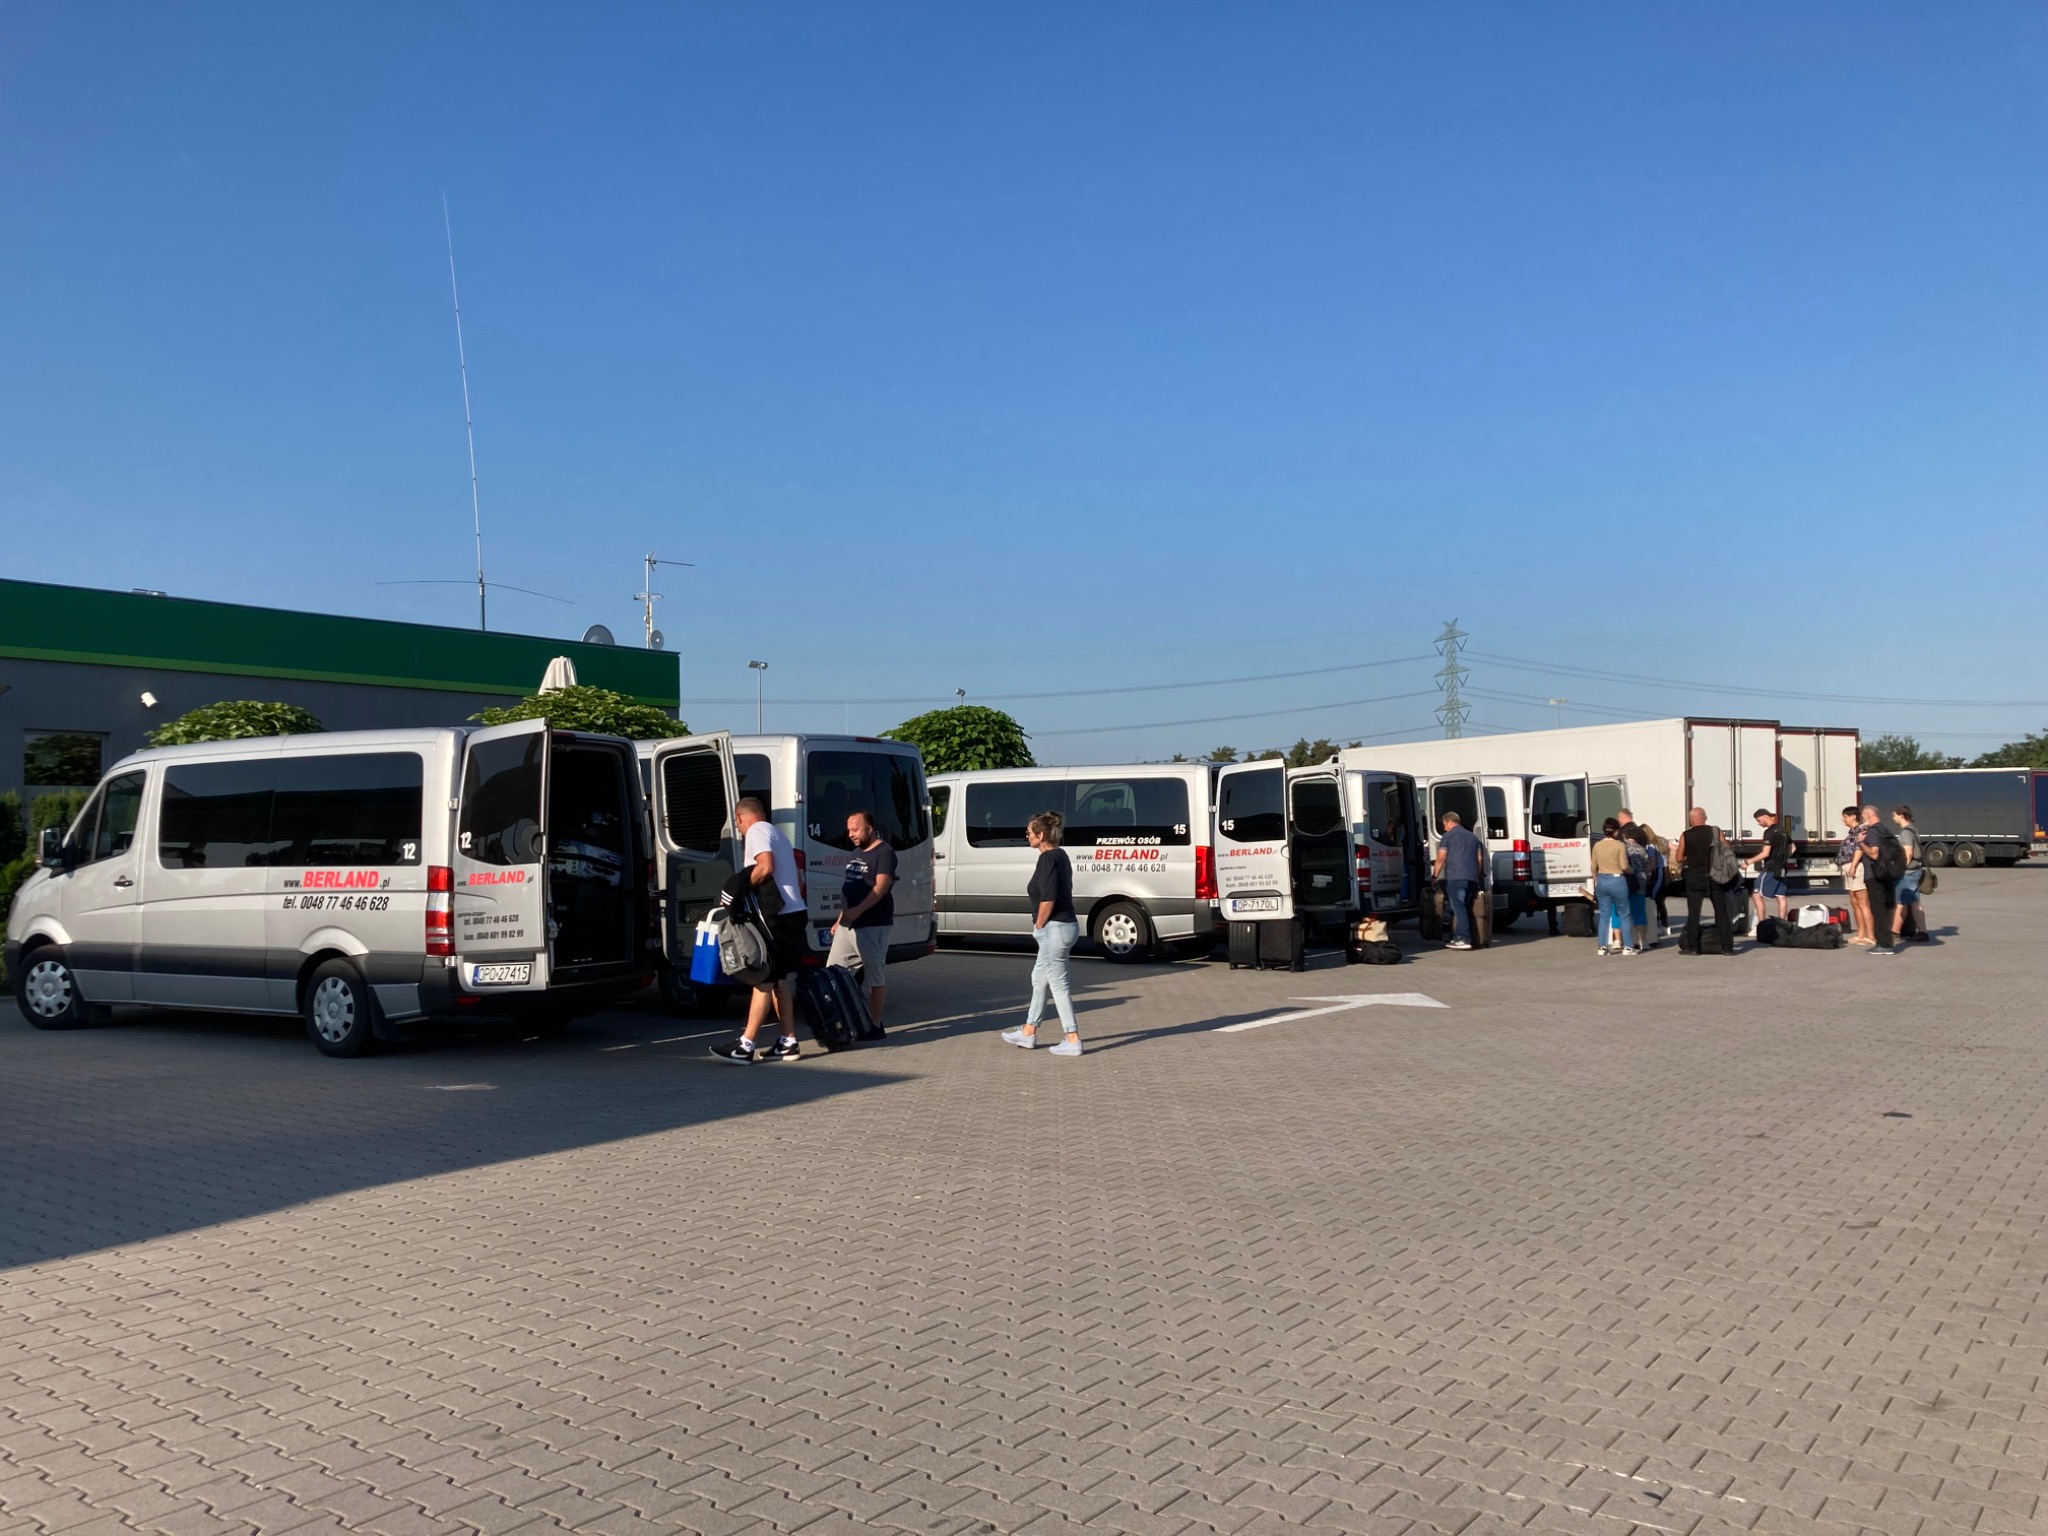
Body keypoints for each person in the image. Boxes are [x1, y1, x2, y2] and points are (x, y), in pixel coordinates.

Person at [711, 797, 811, 1063]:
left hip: (779, 917)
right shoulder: (777, 833)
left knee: (762, 977)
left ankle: (745, 1045)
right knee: (778, 980)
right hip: (794, 913)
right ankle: (788, 1041)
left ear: (741, 818)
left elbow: (765, 866)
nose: (740, 829)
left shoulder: (756, 830)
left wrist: (740, 888)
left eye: (738, 824)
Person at [1001, 811, 1082, 1056]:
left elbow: (1048, 897)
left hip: (1054, 927)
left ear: (1041, 834)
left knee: (1058, 984)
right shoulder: (1061, 855)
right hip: (1064, 926)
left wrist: (1039, 926)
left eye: (1029, 833)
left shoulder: (1048, 859)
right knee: (1039, 979)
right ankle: (1028, 1032)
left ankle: (1072, 1038)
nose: (1027, 836)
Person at [828, 809, 896, 1025]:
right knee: (833, 974)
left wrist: (859, 910)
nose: (851, 834)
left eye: (855, 829)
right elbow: (850, 886)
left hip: (873, 924)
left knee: (874, 977)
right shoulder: (856, 853)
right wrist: (841, 918)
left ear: (870, 828)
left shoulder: (884, 852)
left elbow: (881, 887)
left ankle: (875, 1024)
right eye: (849, 830)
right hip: (848, 925)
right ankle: (839, 1020)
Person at [1672, 807, 1737, 955]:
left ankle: (1693, 948)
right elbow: (1727, 848)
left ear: (1691, 820)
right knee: (1721, 912)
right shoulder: (1715, 831)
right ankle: (1727, 948)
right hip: (1715, 877)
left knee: (1694, 913)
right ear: (1705, 818)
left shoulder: (1686, 835)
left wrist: (1691, 856)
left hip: (1695, 878)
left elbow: (1679, 858)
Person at [1431, 811, 1484, 951]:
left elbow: (1441, 857)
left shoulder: (1448, 836)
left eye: (1444, 825)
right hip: (1471, 878)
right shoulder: (1474, 838)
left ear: (1450, 822)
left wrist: (1435, 876)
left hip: (1456, 877)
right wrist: (1476, 876)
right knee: (1462, 907)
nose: (1444, 828)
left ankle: (1463, 938)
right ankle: (1455, 936)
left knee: (1458, 906)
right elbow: (1479, 860)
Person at [1589, 817, 1638, 956]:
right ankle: (1628, 947)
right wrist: (1631, 870)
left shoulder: (1597, 845)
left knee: (1604, 915)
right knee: (1624, 914)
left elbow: (1593, 866)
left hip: (1602, 880)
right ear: (1616, 831)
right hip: (1617, 880)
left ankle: (1602, 947)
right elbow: (1623, 866)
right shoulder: (1619, 846)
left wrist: (1596, 879)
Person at [1856, 805, 1901, 956]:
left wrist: (1861, 843)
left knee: (1878, 909)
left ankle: (1884, 944)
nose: (1863, 820)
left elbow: (1874, 854)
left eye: (1863, 817)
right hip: (1888, 873)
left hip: (1875, 875)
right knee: (1887, 908)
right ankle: (1888, 940)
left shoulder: (1873, 832)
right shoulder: (1886, 830)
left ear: (1869, 815)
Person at [1617, 808, 1669, 929]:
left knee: (1648, 900)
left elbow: (1651, 864)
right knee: (1652, 902)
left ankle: (1648, 928)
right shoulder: (1650, 844)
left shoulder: (1645, 847)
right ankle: (1658, 928)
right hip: (1654, 874)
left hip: (1642, 875)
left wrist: (1637, 871)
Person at [1744, 808, 1793, 925]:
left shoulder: (1769, 832)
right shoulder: (1784, 830)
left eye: (1759, 820)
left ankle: (1762, 925)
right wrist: (1784, 858)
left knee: (1756, 894)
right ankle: (1782, 924)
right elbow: (1793, 848)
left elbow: (1765, 853)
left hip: (1771, 867)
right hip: (1782, 868)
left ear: (1765, 817)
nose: (1759, 823)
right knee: (1781, 896)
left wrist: (1748, 862)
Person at [1891, 804, 1929, 943]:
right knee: (1915, 903)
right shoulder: (1914, 830)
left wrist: (1899, 870)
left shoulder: (1906, 833)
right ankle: (1923, 932)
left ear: (1901, 816)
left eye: (1894, 815)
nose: (1893, 818)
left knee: (1901, 903)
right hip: (1916, 870)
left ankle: (1894, 932)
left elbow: (1908, 853)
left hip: (1908, 873)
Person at [1838, 806, 1873, 946]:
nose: (1843, 819)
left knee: (1863, 903)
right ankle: (1861, 934)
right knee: (1854, 902)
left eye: (1845, 816)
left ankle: (1870, 936)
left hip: (1857, 868)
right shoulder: (1852, 831)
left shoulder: (1861, 829)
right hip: (1848, 867)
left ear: (1853, 817)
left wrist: (1853, 866)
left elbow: (1859, 848)